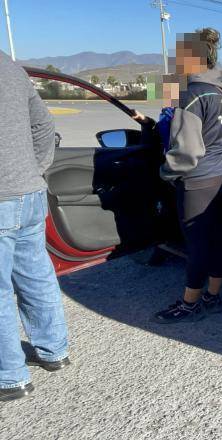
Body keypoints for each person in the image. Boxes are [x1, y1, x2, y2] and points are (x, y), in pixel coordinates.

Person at [152, 28, 222, 324]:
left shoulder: (192, 94)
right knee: (216, 238)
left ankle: (189, 304)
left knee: (197, 244)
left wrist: (166, 172)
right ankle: (212, 296)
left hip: (196, 179)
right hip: (221, 174)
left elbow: (187, 150)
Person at [0, 50, 70, 402]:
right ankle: (53, 351)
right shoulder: (10, 67)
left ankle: (10, 376)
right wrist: (36, 169)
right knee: (36, 276)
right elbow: (44, 125)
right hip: (30, 193)